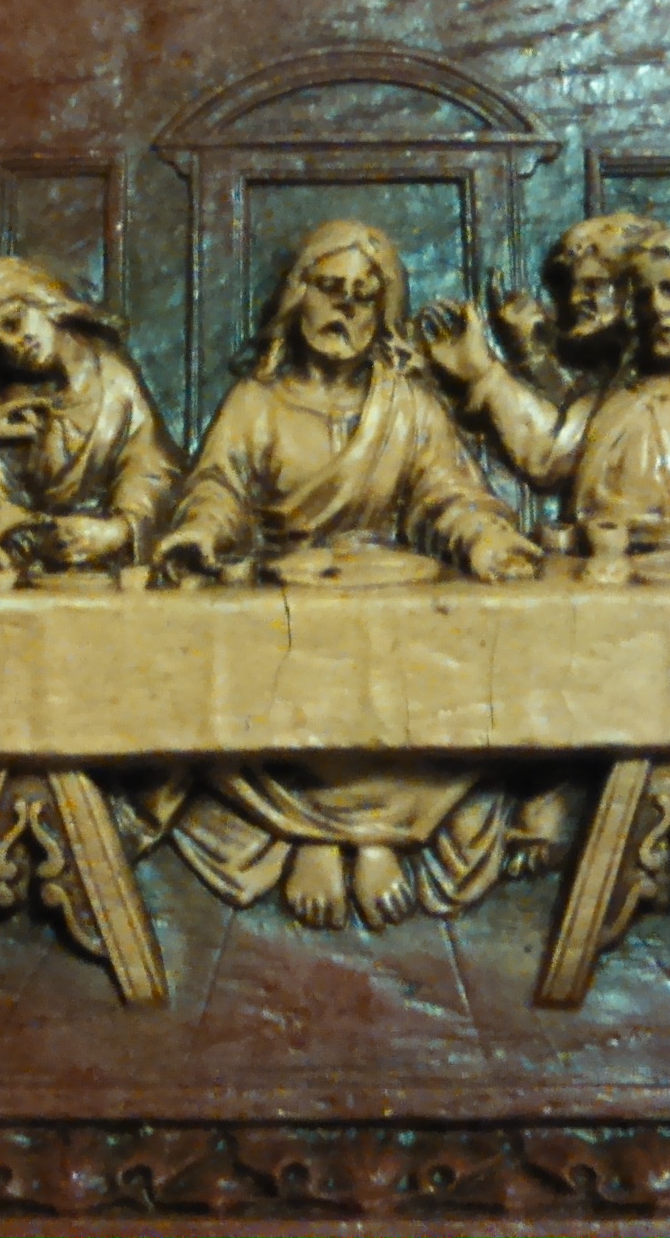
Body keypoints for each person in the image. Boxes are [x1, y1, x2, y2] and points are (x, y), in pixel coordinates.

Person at [154, 220, 550, 929]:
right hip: (288, 603)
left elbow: (449, 495)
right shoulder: (257, 402)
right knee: (235, 680)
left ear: (383, 311)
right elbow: (219, 490)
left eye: (364, 296)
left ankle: (358, 833)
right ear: (297, 296)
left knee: (459, 680)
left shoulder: (408, 404)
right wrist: (198, 535)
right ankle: (328, 831)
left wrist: (487, 541)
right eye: (330, 289)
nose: (345, 309)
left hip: (392, 600)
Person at [420, 226, 670, 557]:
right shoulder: (615, 399)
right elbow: (548, 454)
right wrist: (484, 373)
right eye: (643, 296)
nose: (657, 308)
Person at [0, 257, 182, 577]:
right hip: (35, 567)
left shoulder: (115, 383)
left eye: (13, 323)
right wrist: (5, 517)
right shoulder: (14, 402)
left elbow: (148, 467)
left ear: (42, 301)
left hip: (103, 569)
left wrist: (118, 529)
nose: (13, 346)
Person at [492, 211, 661, 400]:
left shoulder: (652, 374)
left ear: (633, 290)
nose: (574, 299)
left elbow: (581, 416)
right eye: (567, 286)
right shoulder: (593, 366)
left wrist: (530, 352)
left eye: (593, 285)